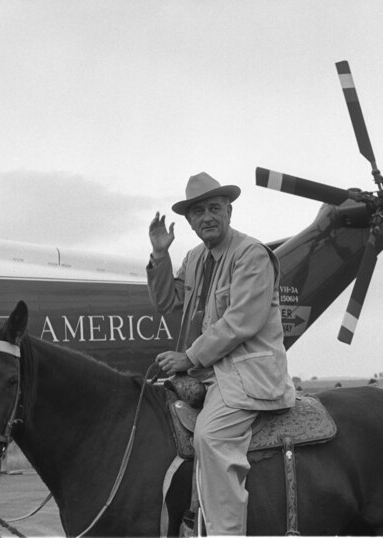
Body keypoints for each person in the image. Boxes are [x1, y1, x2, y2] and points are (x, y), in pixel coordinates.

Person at [147, 172, 295, 535]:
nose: (207, 217)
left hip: (245, 376)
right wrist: (160, 255)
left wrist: (189, 357)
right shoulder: (196, 257)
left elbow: (242, 320)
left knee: (211, 437)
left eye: (215, 208)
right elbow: (168, 300)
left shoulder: (252, 255)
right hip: (206, 375)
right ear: (190, 222)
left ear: (229, 210)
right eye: (198, 212)